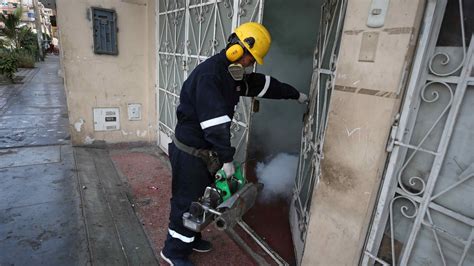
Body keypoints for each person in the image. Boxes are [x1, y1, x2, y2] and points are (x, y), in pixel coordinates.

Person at [160, 22, 308, 266]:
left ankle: (190, 237)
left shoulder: (231, 73)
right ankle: (174, 251)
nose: (251, 64)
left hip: (205, 153)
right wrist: (226, 160)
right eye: (251, 58)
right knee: (185, 201)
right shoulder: (210, 76)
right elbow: (215, 124)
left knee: (201, 200)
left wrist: (295, 94)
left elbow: (262, 85)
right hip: (190, 153)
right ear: (237, 50)